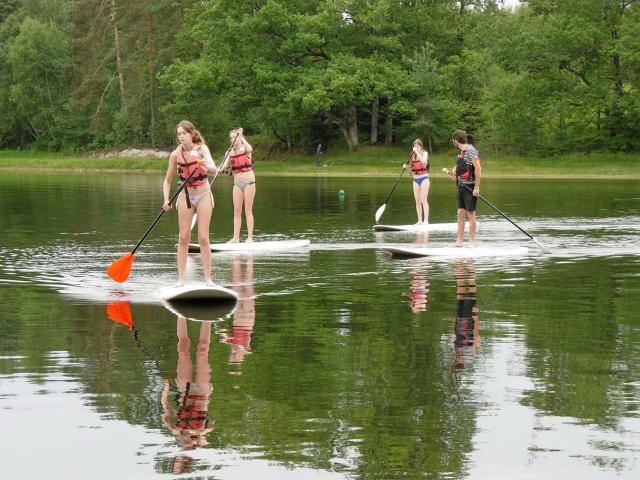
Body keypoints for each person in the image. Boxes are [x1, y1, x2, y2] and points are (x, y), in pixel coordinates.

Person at [162, 120, 217, 286]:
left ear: (191, 134)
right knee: (184, 237)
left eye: (184, 133)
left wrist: (204, 163)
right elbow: (167, 181)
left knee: (203, 238)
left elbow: (214, 169)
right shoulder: (174, 155)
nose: (181, 137)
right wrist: (166, 200)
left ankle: (208, 279)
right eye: (179, 134)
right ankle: (180, 280)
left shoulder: (202, 149)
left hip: (204, 195)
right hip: (185, 197)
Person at [161, 317, 215, 464]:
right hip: (202, 393)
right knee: (203, 350)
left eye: (182, 447)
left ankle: (180, 314)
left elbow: (165, 408)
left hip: (185, 391)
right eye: (188, 446)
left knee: (183, 348)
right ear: (192, 445)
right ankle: (208, 315)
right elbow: (213, 424)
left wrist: (166, 388)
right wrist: (201, 435)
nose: (185, 444)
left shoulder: (175, 429)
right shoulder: (200, 433)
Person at [448, 130, 482, 246]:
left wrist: (477, 187)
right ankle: (459, 241)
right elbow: (459, 165)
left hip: (470, 186)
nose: (453, 142)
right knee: (460, 212)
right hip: (460, 186)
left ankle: (472, 241)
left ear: (456, 140)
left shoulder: (470, 150)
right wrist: (454, 172)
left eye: (453, 140)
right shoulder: (461, 151)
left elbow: (478, 168)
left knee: (470, 213)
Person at [223, 128, 255, 243]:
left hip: (249, 182)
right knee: (236, 211)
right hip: (237, 183)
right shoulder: (229, 152)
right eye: (231, 138)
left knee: (248, 210)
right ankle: (236, 238)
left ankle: (250, 237)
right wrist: (213, 169)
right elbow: (223, 167)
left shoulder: (245, 148)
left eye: (234, 137)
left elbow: (250, 149)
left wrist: (241, 136)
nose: (233, 139)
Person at [451, 259, 480, 370]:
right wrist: (476, 318)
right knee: (471, 293)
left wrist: (454, 319)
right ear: (461, 362)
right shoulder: (470, 351)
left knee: (460, 292)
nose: (457, 359)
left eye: (455, 361)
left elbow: (455, 332)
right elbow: (476, 335)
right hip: (469, 318)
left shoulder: (456, 350)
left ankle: (460, 266)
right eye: (458, 361)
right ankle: (472, 267)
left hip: (459, 317)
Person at [404, 139, 430, 224]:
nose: (416, 148)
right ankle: (419, 220)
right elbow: (412, 166)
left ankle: (425, 220)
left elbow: (424, 161)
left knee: (423, 199)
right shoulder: (412, 155)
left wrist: (417, 152)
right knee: (417, 200)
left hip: (424, 178)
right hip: (415, 178)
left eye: (418, 146)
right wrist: (406, 166)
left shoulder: (425, 153)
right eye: (415, 146)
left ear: (421, 147)